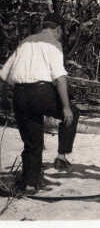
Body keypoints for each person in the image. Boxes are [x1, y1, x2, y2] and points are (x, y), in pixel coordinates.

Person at [0, 13, 80, 195]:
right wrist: (66, 107)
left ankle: (29, 184)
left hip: (19, 94)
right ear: (58, 29)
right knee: (73, 113)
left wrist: (6, 99)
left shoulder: (26, 41)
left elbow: (4, 74)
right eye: (61, 32)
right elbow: (60, 78)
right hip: (41, 92)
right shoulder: (54, 44)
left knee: (32, 143)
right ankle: (61, 155)